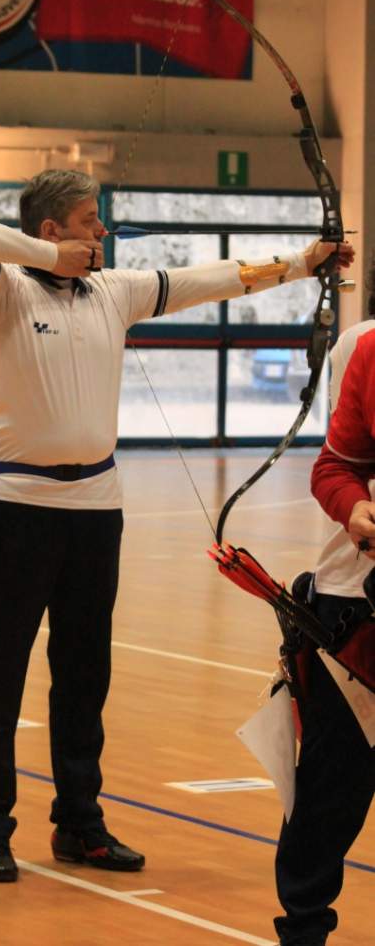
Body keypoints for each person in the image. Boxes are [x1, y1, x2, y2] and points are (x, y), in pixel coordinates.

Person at [0, 168, 355, 883]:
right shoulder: (3, 291)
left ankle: (79, 823)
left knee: (84, 676)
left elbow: (212, 278)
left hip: (96, 512)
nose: (101, 233)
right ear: (51, 233)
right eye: (88, 221)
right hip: (16, 510)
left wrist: (301, 262)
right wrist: (46, 262)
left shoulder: (115, 291)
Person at [273, 268, 375, 946]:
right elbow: (333, 467)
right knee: (332, 794)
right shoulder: (368, 349)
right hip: (357, 610)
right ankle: (305, 929)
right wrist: (358, 509)